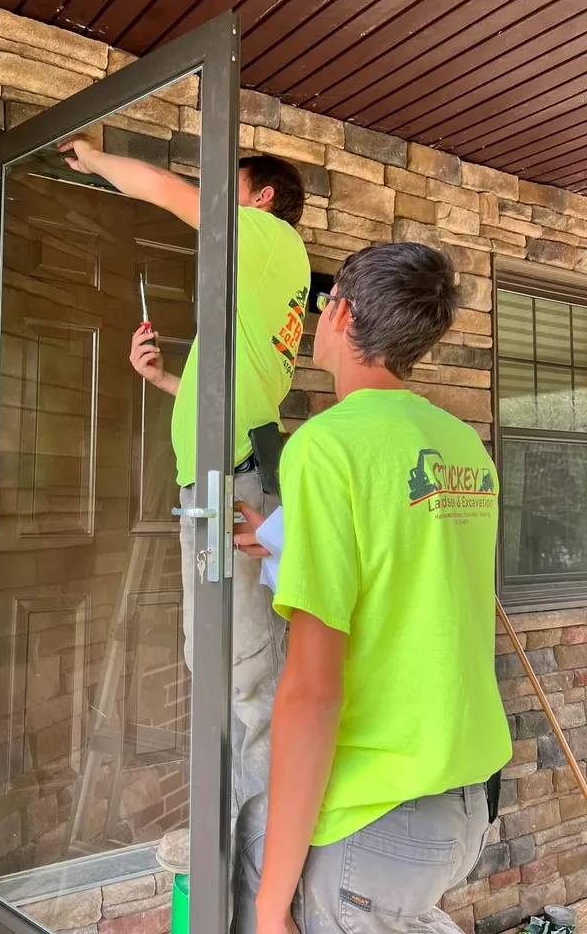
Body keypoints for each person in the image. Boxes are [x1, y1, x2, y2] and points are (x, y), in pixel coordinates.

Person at [231, 242, 512, 934]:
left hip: (374, 814)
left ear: (342, 312)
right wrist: (283, 539)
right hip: (459, 800)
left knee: (257, 861)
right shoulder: (459, 444)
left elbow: (313, 690)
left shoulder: (328, 446)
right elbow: (411, 571)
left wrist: (271, 911)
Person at [60, 138, 311, 869]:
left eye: (225, 186)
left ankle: (257, 862)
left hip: (232, 484)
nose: (210, 196)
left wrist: (97, 159)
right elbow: (239, 394)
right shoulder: (256, 281)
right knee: (225, 663)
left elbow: (169, 195)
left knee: (244, 672)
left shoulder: (266, 237)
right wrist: (167, 381)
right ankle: (235, 843)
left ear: (261, 198)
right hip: (226, 475)